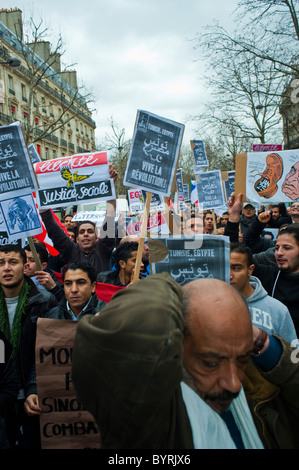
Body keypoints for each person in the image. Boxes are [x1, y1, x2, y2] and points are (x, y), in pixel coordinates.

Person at [72, 273, 299, 449]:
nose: (234, 383)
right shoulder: (157, 417)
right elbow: (95, 350)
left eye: (242, 359)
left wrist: (265, 346)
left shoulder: (260, 390)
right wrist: (169, 286)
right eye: (210, 363)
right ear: (177, 348)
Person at [0, 245, 57, 448]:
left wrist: (34, 389)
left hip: (33, 399)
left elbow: (45, 352)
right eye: (1, 263)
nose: (6, 268)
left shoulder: (44, 302)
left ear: (25, 266)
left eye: (13, 262)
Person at [39, 164, 118, 275]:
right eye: (82, 232)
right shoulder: (70, 250)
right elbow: (52, 228)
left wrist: (111, 187)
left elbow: (110, 215)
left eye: (90, 231)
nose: (86, 234)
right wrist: (40, 190)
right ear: (76, 239)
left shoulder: (103, 250)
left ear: (96, 238)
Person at [230, 243, 297, 343]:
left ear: (250, 270)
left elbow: (292, 354)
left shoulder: (277, 310)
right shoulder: (209, 306)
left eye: (236, 268)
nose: (230, 275)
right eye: (224, 268)